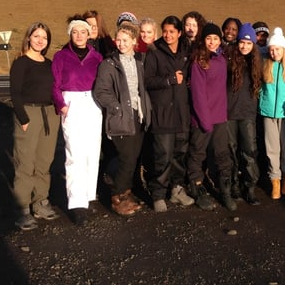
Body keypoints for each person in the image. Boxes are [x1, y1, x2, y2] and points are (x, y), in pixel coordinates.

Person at [93, 22, 152, 217]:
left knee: (133, 158)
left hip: (138, 116)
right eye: (118, 40)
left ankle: (126, 193)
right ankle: (117, 197)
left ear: (134, 41)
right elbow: (101, 91)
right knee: (126, 158)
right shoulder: (108, 64)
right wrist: (117, 108)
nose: (121, 43)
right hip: (120, 117)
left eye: (125, 40)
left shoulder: (139, 62)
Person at [52, 18, 103, 225]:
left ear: (89, 34)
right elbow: (54, 84)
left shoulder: (97, 57)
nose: (80, 35)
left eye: (83, 31)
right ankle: (76, 203)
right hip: (71, 100)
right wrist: (61, 104)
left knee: (92, 150)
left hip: (92, 101)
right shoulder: (61, 56)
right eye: (75, 32)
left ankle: (88, 194)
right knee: (74, 152)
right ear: (70, 34)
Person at [10, 22, 61, 231]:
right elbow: (15, 92)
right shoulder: (21, 63)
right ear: (29, 38)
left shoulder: (49, 64)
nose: (40, 40)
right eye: (37, 36)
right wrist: (23, 118)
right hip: (29, 114)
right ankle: (22, 208)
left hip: (49, 113)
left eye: (44, 38)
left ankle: (40, 202)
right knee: (25, 162)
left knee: (44, 161)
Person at [144, 15, 195, 212]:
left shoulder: (186, 50)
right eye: (165, 31)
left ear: (179, 32)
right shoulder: (155, 51)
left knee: (180, 154)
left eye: (172, 32)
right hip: (162, 112)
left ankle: (177, 190)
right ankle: (158, 195)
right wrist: (169, 79)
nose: (167, 35)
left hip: (182, 111)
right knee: (163, 155)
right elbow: (147, 81)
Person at [188, 23, 236, 211]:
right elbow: (198, 95)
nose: (212, 42)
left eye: (215, 38)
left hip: (220, 117)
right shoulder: (199, 62)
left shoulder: (222, 59)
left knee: (222, 155)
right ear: (203, 40)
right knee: (197, 154)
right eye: (209, 38)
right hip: (202, 119)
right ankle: (197, 188)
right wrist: (205, 121)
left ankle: (225, 191)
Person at [226, 23, 263, 205]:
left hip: (248, 113)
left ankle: (249, 187)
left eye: (248, 43)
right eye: (242, 42)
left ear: (254, 44)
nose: (244, 46)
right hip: (229, 112)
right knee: (231, 150)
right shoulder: (229, 59)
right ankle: (233, 185)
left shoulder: (257, 62)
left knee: (249, 150)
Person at [258, 27, 285, 200]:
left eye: (277, 49)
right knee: (272, 148)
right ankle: (275, 180)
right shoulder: (265, 64)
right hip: (267, 112)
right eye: (271, 49)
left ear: (283, 50)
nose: (274, 52)